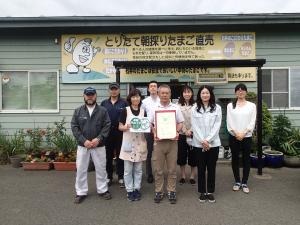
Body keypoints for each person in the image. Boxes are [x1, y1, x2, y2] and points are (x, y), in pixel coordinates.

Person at [71, 87, 111, 204]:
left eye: (92, 95)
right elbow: (74, 127)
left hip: (98, 145)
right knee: (81, 169)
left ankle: (103, 190)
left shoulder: (103, 111)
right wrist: (84, 141)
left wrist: (99, 139)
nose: (90, 97)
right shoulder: (78, 111)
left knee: (101, 169)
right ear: (84, 96)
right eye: (88, 95)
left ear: (95, 96)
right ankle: (81, 192)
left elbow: (107, 125)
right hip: (83, 146)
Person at [149, 84, 184, 204]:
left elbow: (180, 122)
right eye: (162, 93)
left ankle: (171, 190)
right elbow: (150, 123)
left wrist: (177, 131)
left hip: (172, 142)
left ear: (170, 94)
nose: (164, 95)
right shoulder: (154, 108)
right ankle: (158, 191)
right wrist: (154, 132)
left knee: (172, 169)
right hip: (158, 142)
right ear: (158, 94)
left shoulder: (176, 107)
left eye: (167, 93)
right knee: (158, 169)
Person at [191, 85, 222, 203]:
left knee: (211, 168)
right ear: (199, 95)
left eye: (207, 93)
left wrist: (208, 140)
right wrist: (202, 141)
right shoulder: (194, 108)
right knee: (201, 168)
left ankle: (210, 191)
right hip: (199, 144)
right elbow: (195, 126)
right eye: (203, 93)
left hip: (213, 144)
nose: (205, 95)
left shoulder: (217, 108)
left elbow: (217, 125)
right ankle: (202, 192)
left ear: (210, 95)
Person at [227, 83, 256, 194]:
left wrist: (244, 133)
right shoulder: (231, 105)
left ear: (246, 92)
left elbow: (252, 121)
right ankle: (237, 181)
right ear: (235, 92)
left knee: (246, 159)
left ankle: (244, 182)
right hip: (234, 136)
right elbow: (229, 121)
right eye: (238, 90)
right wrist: (236, 133)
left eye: (242, 90)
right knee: (235, 159)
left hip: (246, 136)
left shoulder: (251, 106)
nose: (240, 91)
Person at [119, 89, 148, 201]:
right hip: (128, 143)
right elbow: (120, 126)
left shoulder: (143, 111)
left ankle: (137, 189)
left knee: (138, 169)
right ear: (130, 98)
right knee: (127, 169)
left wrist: (147, 127)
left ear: (140, 98)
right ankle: (129, 190)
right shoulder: (125, 111)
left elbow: (145, 127)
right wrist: (127, 126)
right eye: (133, 97)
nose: (135, 98)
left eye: (137, 96)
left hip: (140, 143)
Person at [101, 82, 128, 188]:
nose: (114, 91)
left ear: (119, 90)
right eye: (112, 89)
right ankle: (109, 177)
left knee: (120, 156)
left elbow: (128, 117)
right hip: (107, 133)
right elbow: (100, 118)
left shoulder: (124, 103)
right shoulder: (104, 103)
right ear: (109, 91)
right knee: (108, 156)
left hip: (120, 133)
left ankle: (121, 177)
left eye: (116, 89)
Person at [177, 85, 197, 185]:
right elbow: (178, 119)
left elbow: (197, 120)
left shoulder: (197, 105)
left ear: (192, 93)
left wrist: (191, 131)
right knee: (182, 155)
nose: (187, 94)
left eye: (189, 92)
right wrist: (185, 131)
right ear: (182, 93)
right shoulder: (177, 105)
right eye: (185, 92)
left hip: (194, 134)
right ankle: (183, 175)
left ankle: (192, 175)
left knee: (193, 155)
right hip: (182, 134)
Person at [141, 80, 160, 183]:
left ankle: (159, 172)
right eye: (151, 86)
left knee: (159, 152)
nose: (153, 88)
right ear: (148, 89)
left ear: (158, 88)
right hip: (148, 129)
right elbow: (142, 115)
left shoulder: (162, 99)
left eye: (155, 86)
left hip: (161, 129)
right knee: (149, 152)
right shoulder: (144, 102)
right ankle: (149, 173)